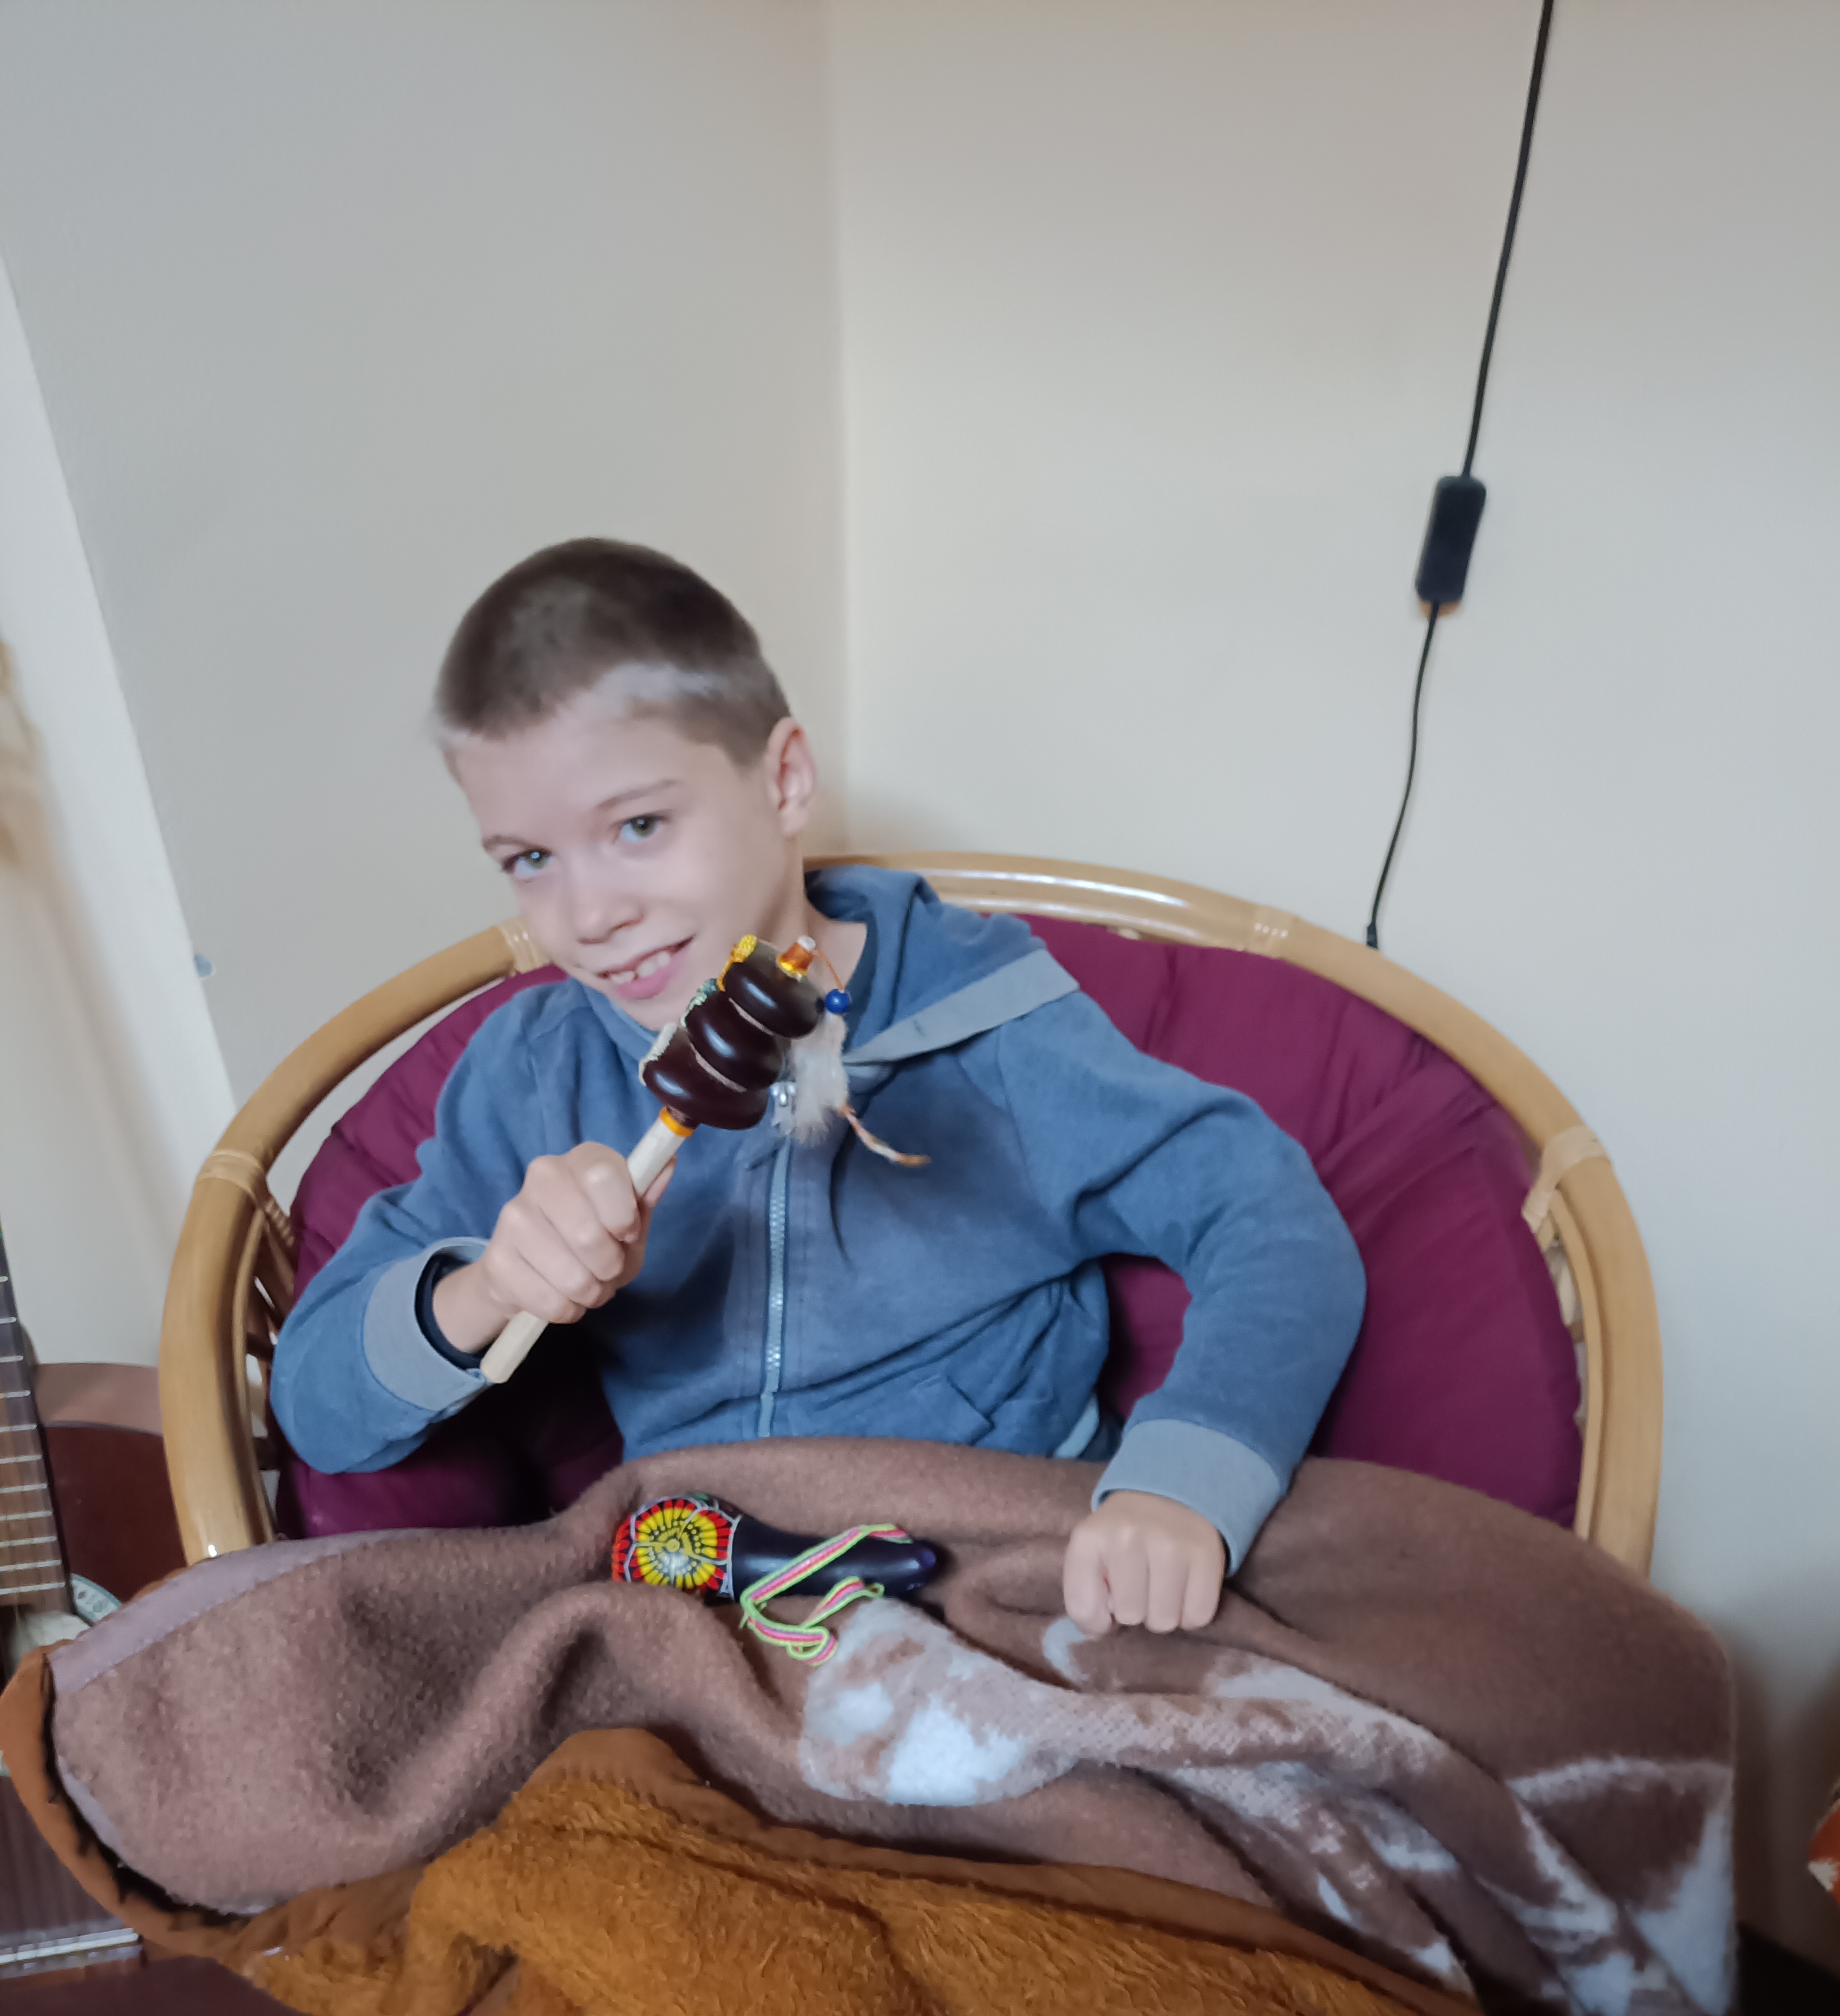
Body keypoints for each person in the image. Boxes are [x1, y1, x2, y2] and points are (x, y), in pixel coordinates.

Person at [271, 541, 1364, 1636]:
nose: (590, 915)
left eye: (639, 827)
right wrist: (487, 1289)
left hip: (991, 1569)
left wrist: (1182, 1485)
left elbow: (1267, 1218)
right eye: (529, 860)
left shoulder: (992, 1028)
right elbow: (316, 1409)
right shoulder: (533, 1072)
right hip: (703, 1581)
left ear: (784, 779)